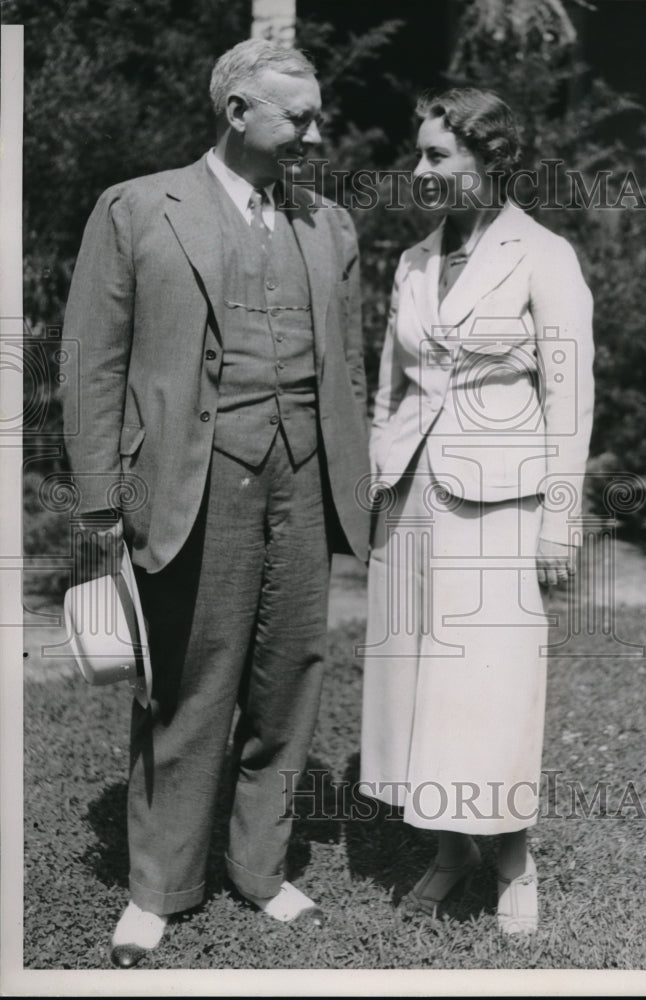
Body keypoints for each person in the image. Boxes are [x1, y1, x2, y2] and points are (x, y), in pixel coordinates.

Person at [61, 39, 369, 967]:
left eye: (317, 116)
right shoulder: (138, 207)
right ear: (237, 111)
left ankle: (261, 869)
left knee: (289, 679)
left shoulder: (330, 225)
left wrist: (358, 484)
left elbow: (348, 369)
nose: (316, 132)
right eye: (298, 116)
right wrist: (100, 498)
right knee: (188, 687)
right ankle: (158, 888)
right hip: (190, 481)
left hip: (304, 481)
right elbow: (91, 361)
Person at [360, 88, 594, 935]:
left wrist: (559, 518)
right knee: (417, 676)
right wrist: (377, 478)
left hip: (502, 501)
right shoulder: (413, 261)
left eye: (437, 154)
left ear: (487, 157)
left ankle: (514, 859)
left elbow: (570, 398)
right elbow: (389, 389)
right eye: (418, 153)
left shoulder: (544, 255)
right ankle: (450, 850)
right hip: (410, 496)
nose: (418, 169)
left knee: (492, 680)